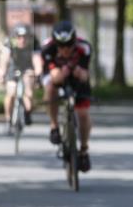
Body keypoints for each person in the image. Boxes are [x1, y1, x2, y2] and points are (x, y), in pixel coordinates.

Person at [40, 20, 94, 172]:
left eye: (69, 46)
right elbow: (53, 75)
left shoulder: (85, 48)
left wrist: (78, 71)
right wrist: (60, 73)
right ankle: (54, 126)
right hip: (57, 75)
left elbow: (84, 75)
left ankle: (83, 150)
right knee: (51, 87)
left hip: (76, 77)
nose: (65, 50)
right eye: (61, 47)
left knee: (83, 114)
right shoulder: (47, 48)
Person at [0, 24, 40, 134]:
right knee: (11, 92)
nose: (22, 40)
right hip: (14, 67)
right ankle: (8, 120)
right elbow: (4, 60)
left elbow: (37, 60)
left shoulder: (34, 43)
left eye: (25, 37)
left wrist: (38, 74)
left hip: (28, 67)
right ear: (15, 37)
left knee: (29, 93)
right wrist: (1, 73)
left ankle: (27, 112)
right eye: (19, 37)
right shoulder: (9, 43)